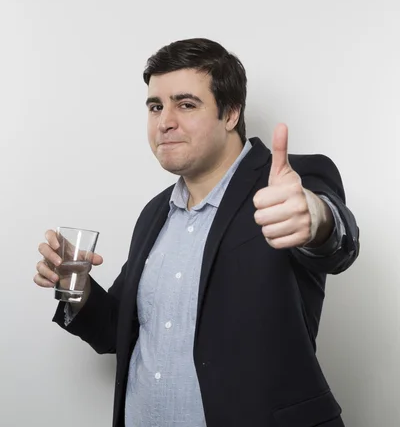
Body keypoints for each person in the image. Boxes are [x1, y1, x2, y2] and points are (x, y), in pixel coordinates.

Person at [34, 38, 360, 427]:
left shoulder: (288, 186)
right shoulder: (155, 213)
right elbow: (115, 332)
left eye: (186, 104)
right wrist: (78, 286)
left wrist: (317, 219)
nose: (165, 121)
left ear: (230, 113)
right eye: (156, 106)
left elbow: (336, 241)